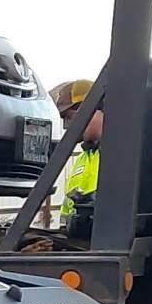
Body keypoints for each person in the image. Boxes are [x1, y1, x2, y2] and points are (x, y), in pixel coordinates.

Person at [53, 78, 102, 236]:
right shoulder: (82, 159)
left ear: (95, 109)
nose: (67, 126)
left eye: (70, 117)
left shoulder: (124, 154)